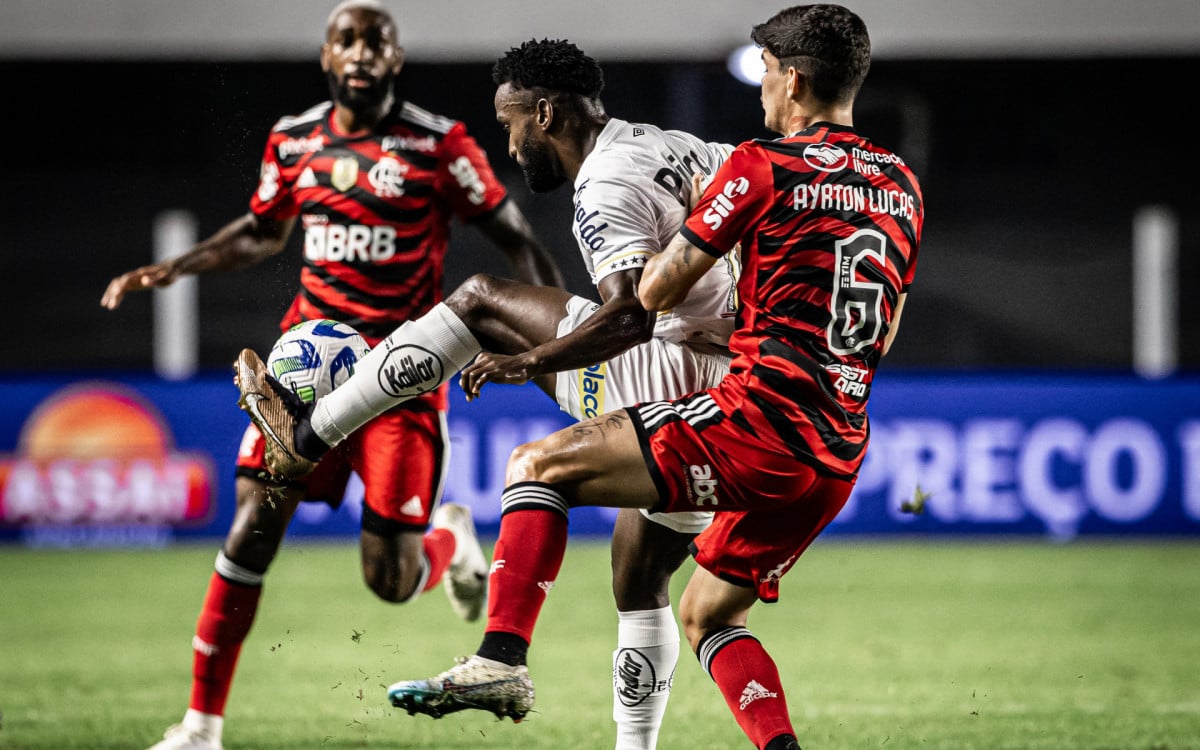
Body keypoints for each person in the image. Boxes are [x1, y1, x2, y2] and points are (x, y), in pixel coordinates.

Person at [381, 5, 924, 750]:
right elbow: (883, 330)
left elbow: (655, 294)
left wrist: (699, 226)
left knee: (539, 465)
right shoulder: (900, 185)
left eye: (766, 70)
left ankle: (500, 658)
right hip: (837, 446)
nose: (761, 86)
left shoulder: (761, 165)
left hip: (755, 421)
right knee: (706, 614)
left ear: (793, 80)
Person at [232, 38, 741, 750]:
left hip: (668, 373)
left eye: (509, 125)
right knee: (640, 573)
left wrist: (528, 358)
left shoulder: (605, 181)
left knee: (477, 303)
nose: (509, 142)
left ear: (544, 113)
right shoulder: (679, 146)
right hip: (732, 395)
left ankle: (309, 436)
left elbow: (629, 318)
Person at [100, 3, 563, 750]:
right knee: (253, 526)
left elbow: (515, 240)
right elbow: (260, 230)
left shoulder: (437, 145)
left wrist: (560, 339)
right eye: (346, 40)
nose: (360, 53)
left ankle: (452, 543)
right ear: (325, 56)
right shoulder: (295, 139)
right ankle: (198, 728)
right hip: (303, 377)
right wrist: (175, 267)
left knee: (390, 581)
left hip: (402, 378)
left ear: (396, 58)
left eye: (374, 42)